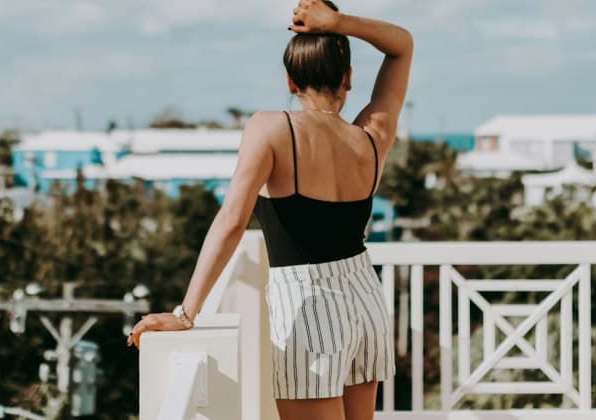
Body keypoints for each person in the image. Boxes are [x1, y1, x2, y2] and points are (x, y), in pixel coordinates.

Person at [126, 1, 412, 419]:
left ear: (290, 81)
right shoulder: (372, 135)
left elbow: (231, 223)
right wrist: (338, 24)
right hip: (364, 298)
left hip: (308, 306)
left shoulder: (271, 128)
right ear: (348, 77)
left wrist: (185, 314)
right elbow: (401, 46)